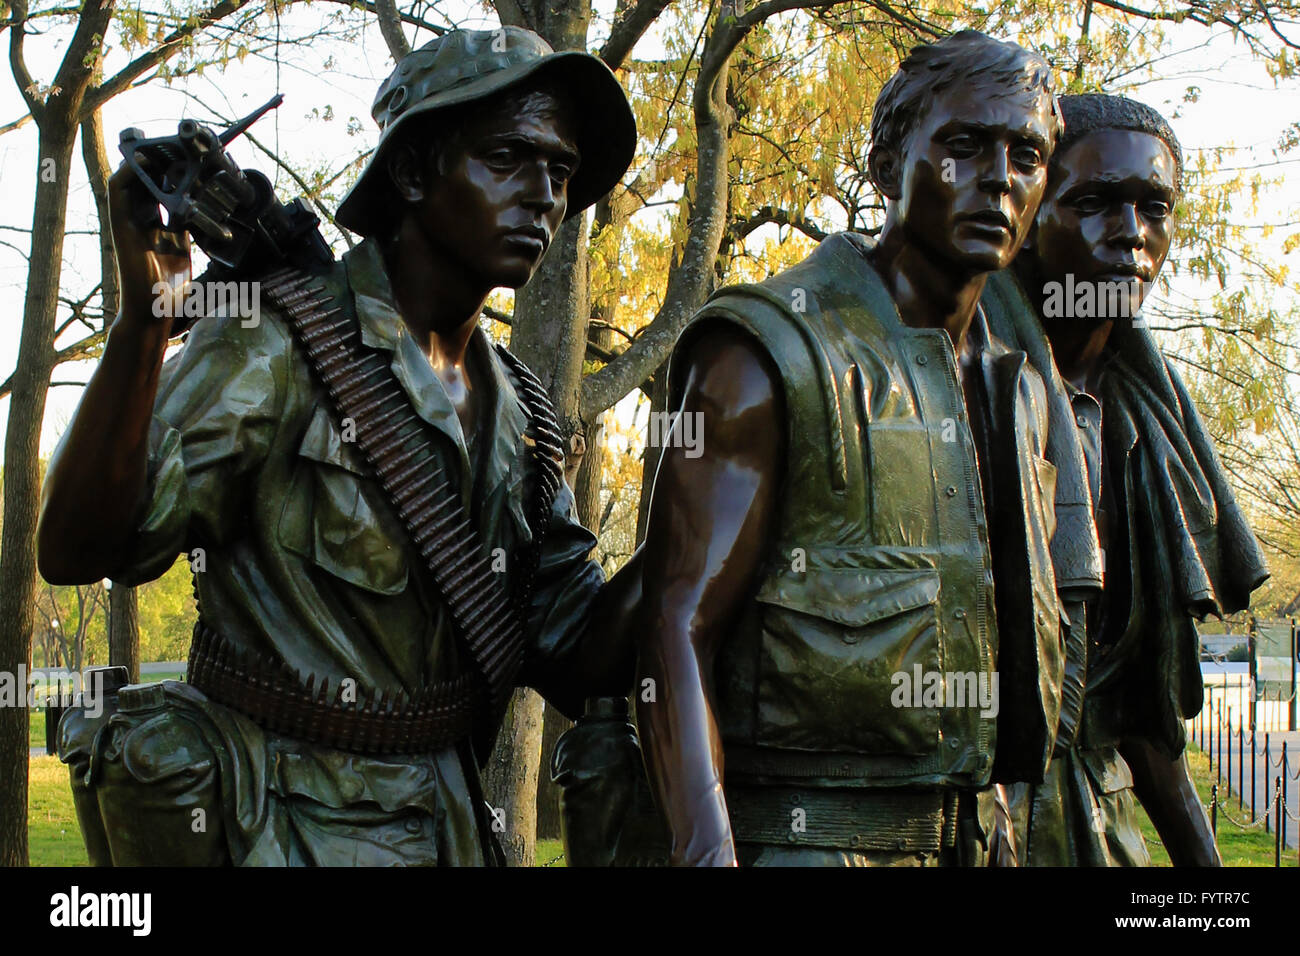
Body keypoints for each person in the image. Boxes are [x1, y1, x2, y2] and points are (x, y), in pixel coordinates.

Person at [37, 26, 640, 866]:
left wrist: (692, 527)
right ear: (412, 172)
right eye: (508, 156)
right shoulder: (275, 346)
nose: (544, 194)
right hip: (282, 829)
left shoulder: (525, 415)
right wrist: (143, 330)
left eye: (561, 170)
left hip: (456, 832)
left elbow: (584, 658)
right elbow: (79, 549)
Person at [631, 30, 1072, 867]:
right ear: (885, 165)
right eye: (965, 146)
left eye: (1028, 154)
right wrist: (706, 856)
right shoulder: (768, 354)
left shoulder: (1018, 390)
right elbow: (674, 627)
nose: (1000, 180)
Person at [985, 93, 1268, 866]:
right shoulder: (949, 383)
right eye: (1097, 203)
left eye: (1155, 207)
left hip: (1099, 834)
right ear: (1029, 213)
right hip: (967, 827)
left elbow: (1141, 714)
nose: (1133, 234)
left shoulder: (1148, 419)